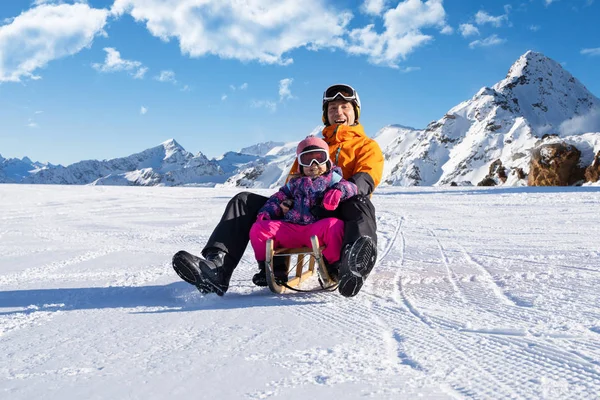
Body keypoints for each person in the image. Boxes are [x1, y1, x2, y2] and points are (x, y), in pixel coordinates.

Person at [172, 83, 384, 297]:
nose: (338, 112)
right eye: (332, 109)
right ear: (325, 116)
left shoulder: (366, 146)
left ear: (355, 112)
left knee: (361, 203)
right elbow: (293, 183)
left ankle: (353, 263)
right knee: (243, 201)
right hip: (305, 209)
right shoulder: (312, 147)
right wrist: (284, 205)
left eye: (344, 107)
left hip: (340, 208)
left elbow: (366, 177)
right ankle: (217, 267)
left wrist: (340, 190)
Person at [249, 136, 358, 287]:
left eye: (319, 158)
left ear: (327, 161)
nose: (313, 165)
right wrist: (266, 213)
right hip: (291, 228)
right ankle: (271, 269)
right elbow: (277, 197)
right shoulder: (294, 183)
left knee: (335, 225)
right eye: (307, 160)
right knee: (259, 228)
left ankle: (334, 267)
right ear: (300, 164)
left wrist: (339, 190)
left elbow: (352, 187)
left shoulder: (333, 180)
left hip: (316, 229)